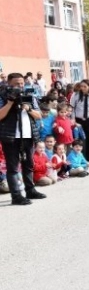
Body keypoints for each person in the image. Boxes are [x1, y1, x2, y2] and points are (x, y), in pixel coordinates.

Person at [0, 72, 46, 205]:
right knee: (13, 167)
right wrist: (9, 104)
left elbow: (39, 115)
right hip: (11, 137)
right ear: (9, 84)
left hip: (28, 135)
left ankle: (30, 190)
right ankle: (16, 196)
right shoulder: (2, 96)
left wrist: (29, 109)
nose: (20, 86)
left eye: (21, 83)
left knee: (28, 164)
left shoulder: (29, 95)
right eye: (16, 84)